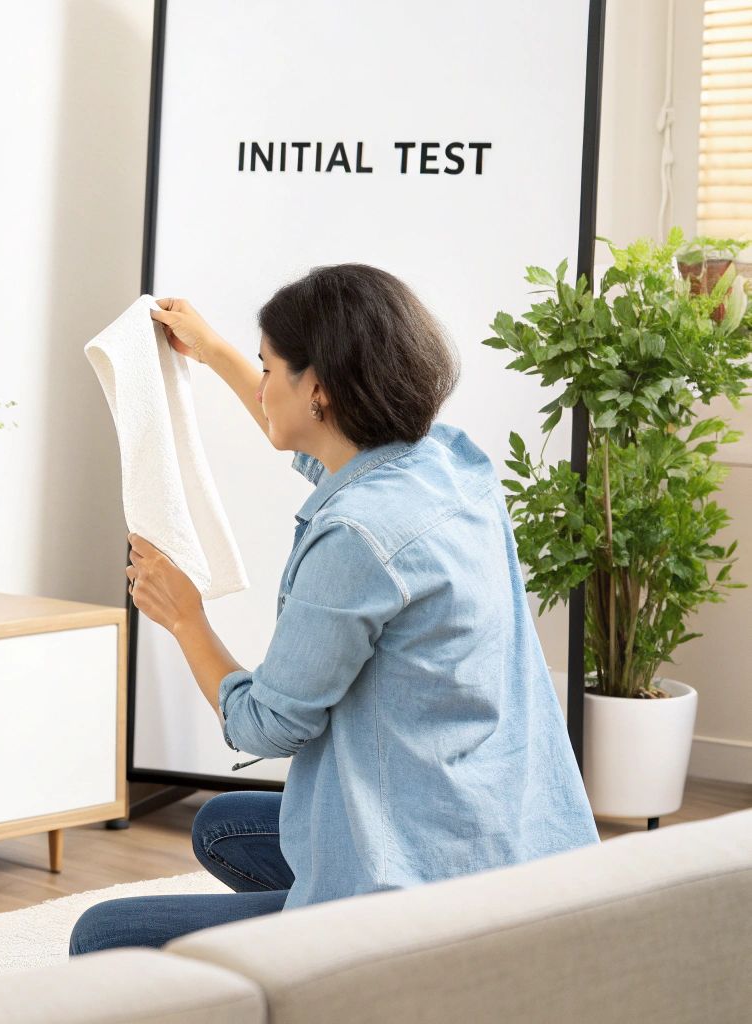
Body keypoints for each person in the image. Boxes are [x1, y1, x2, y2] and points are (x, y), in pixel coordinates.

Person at [69, 264, 597, 955]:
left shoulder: (355, 539)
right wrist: (220, 352)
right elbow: (329, 456)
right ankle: (301, 921)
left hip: (424, 903)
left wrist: (185, 619)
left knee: (101, 937)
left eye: (267, 370)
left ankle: (334, 948)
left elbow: (266, 723)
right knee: (221, 825)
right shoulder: (450, 465)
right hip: (515, 846)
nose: (260, 387)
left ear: (316, 389)